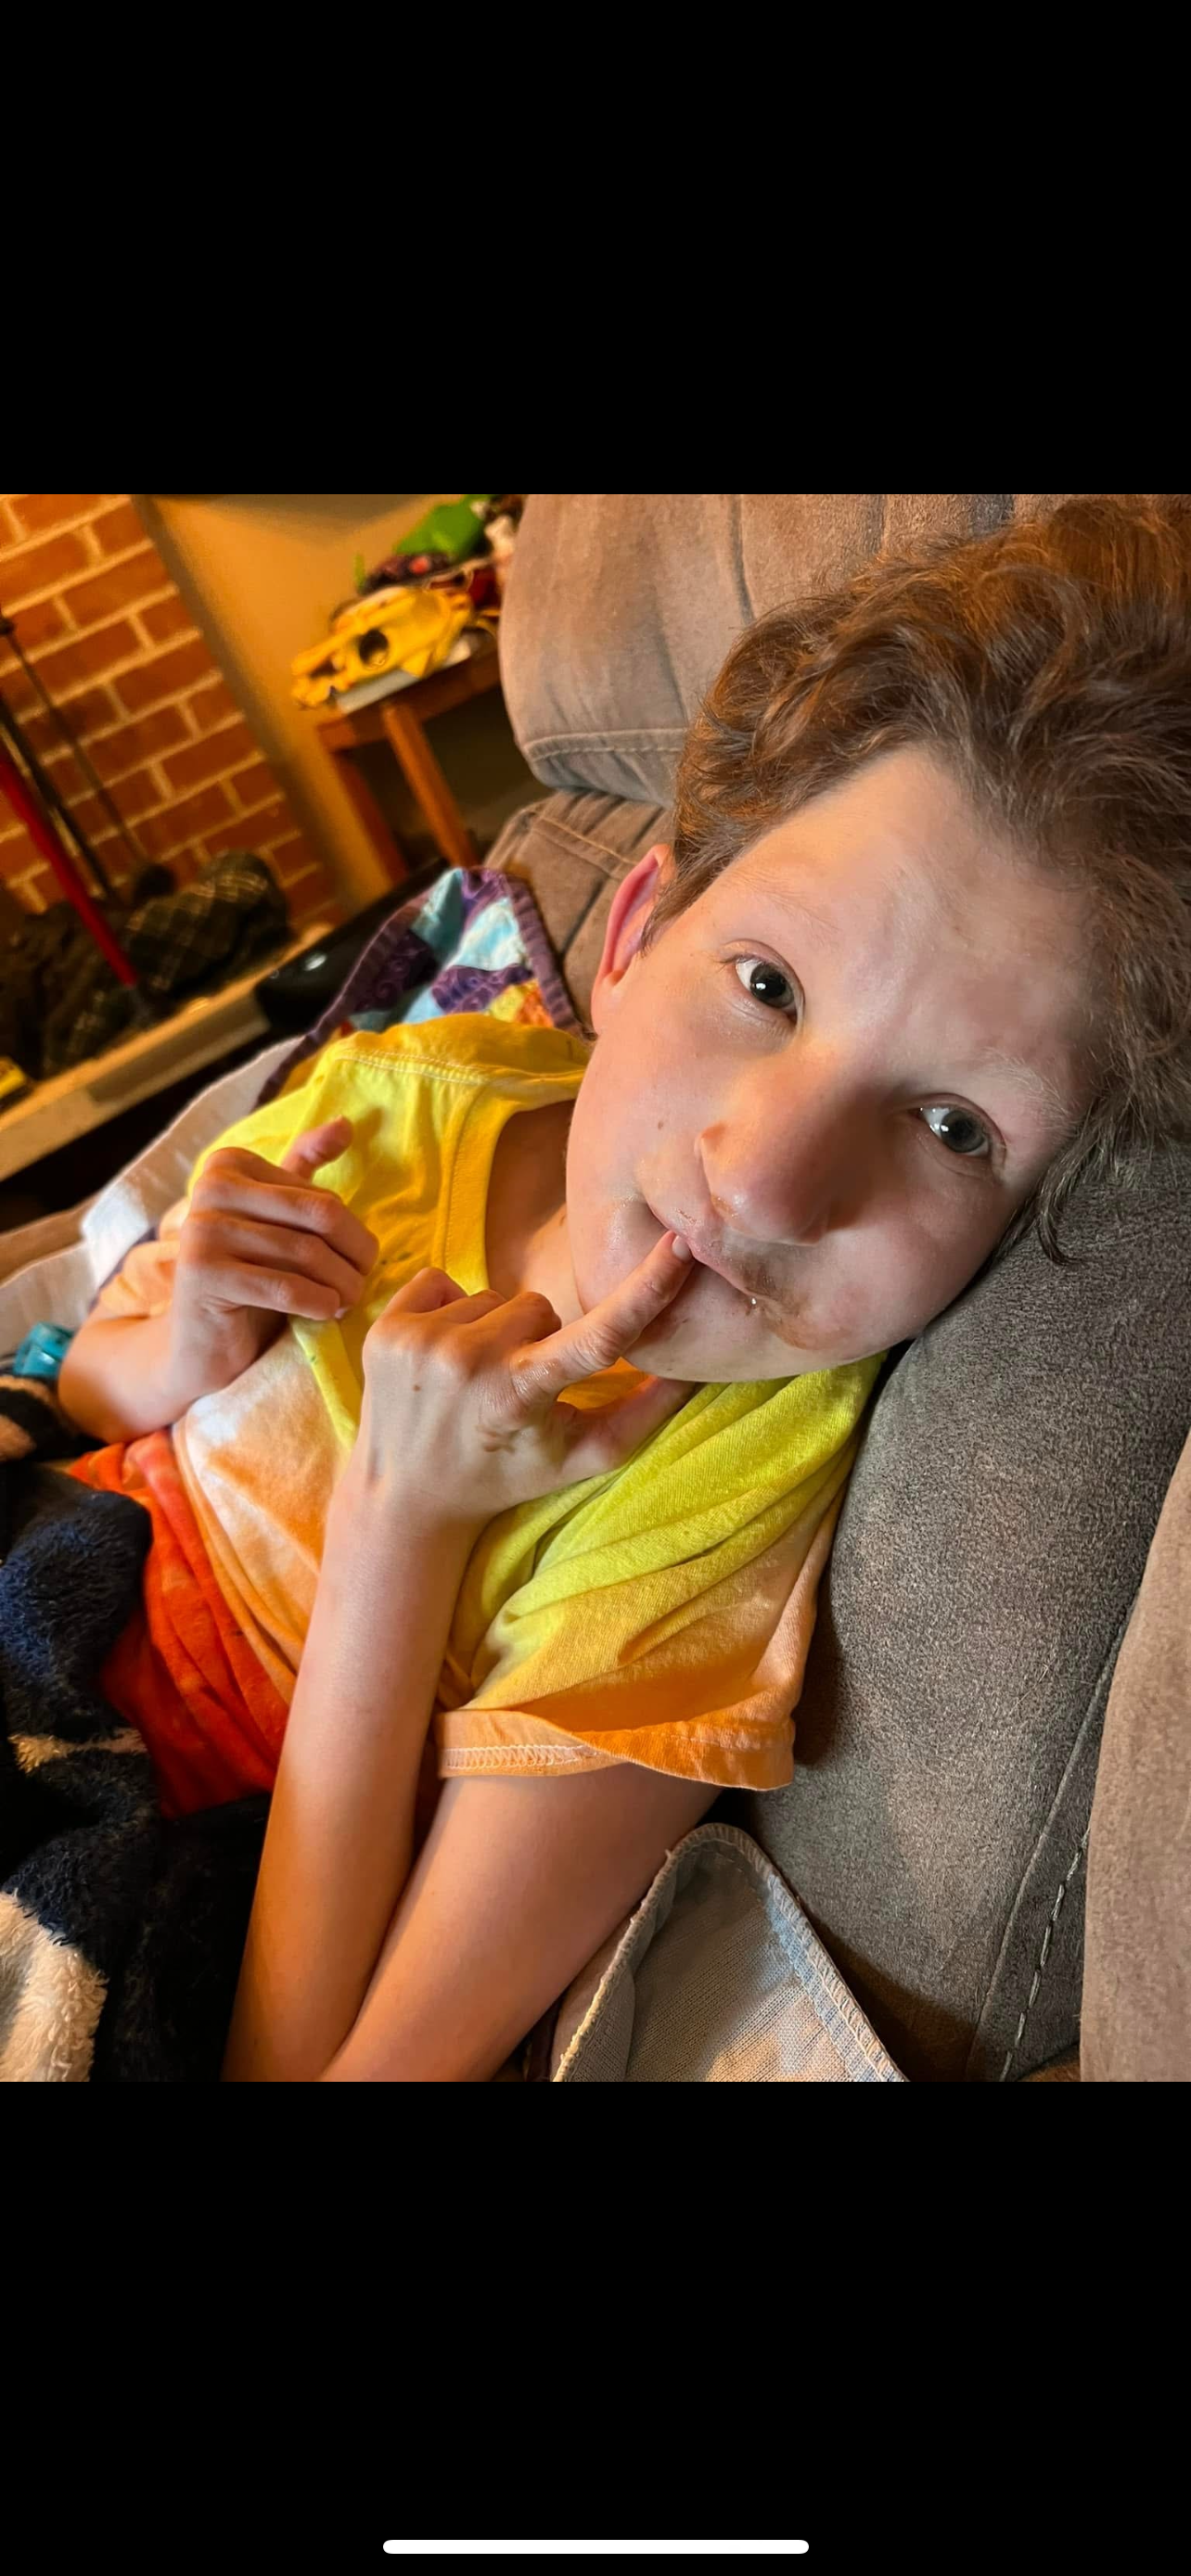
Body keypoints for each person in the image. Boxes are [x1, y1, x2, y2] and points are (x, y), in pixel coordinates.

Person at [56, 496, 1191, 2082]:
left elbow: (322, 2063)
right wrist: (155, 1346)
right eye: (769, 985)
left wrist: (401, 1517)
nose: (768, 1182)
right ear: (639, 927)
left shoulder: (724, 1486)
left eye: (953, 1128)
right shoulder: (418, 1083)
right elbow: (74, 1397)